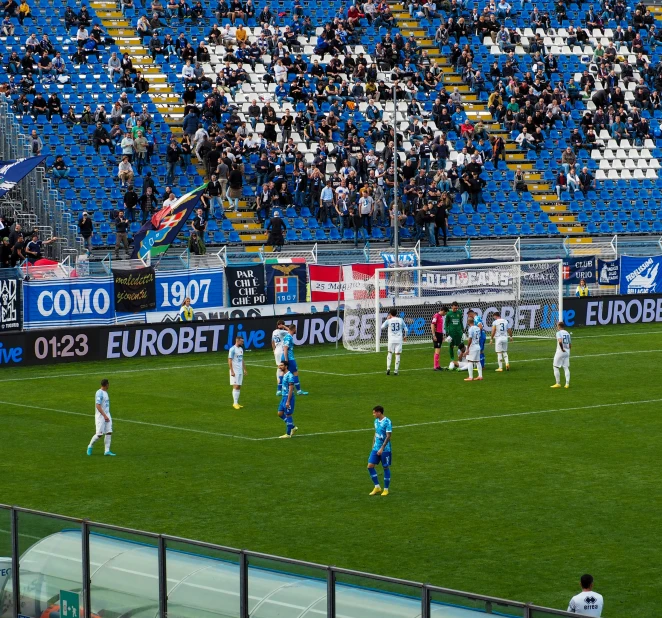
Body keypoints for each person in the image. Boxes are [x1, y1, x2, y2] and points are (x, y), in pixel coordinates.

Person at [367, 405, 392, 496]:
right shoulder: (376, 421)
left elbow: (388, 436)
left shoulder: (387, 421)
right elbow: (376, 432)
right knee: (370, 466)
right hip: (376, 448)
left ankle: (386, 489)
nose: (373, 414)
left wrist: (382, 448)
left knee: (385, 467)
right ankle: (377, 487)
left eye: (374, 412)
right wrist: (373, 444)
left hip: (385, 449)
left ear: (379, 412)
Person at [87, 379, 116, 457]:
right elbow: (98, 405)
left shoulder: (105, 393)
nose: (109, 385)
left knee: (109, 431)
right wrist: (104, 415)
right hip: (101, 416)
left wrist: (107, 415)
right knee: (99, 434)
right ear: (106, 384)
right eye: (108, 384)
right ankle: (90, 446)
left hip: (107, 414)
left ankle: (107, 451)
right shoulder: (99, 393)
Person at [282, 324, 308, 395]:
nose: (296, 330)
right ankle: (299, 391)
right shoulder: (288, 337)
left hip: (285, 357)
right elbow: (285, 348)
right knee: (295, 373)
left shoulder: (288, 335)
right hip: (289, 358)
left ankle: (285, 390)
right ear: (293, 329)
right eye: (295, 329)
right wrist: (286, 359)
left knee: (285, 374)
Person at [381, 307, 408, 376]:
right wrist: (405, 336)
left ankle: (388, 369)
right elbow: (406, 329)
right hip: (398, 340)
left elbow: (382, 327)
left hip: (391, 340)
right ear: (396, 313)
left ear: (390, 314)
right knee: (397, 354)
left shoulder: (389, 320)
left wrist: (387, 319)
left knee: (390, 353)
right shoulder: (400, 320)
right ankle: (396, 371)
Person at [277, 360, 298, 438]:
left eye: (282, 365)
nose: (280, 366)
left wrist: (288, 401)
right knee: (280, 413)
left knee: (288, 414)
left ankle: (288, 434)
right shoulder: (284, 374)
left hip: (288, 397)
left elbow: (291, 389)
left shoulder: (290, 376)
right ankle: (292, 427)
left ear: (286, 366)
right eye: (280, 365)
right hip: (283, 397)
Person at [228, 335, 247, 409]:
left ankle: (237, 403)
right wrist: (232, 371)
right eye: (242, 341)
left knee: (239, 386)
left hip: (240, 370)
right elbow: (229, 360)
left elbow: (242, 359)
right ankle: (235, 403)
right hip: (235, 370)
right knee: (235, 386)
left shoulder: (241, 349)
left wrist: (244, 369)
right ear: (237, 340)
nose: (242, 343)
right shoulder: (232, 349)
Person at [272, 319, 289, 395]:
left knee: (279, 367)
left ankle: (279, 383)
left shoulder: (274, 332)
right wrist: (285, 326)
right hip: (281, 352)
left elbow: (272, 341)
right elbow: (290, 332)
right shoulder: (282, 332)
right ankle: (282, 385)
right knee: (284, 368)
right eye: (280, 324)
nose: (281, 325)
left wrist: (273, 350)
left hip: (276, 351)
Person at [444, 301, 464, 368]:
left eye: (456, 308)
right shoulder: (449, 314)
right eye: (454, 308)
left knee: (461, 346)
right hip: (452, 332)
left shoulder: (459, 313)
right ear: (452, 307)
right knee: (451, 346)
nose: (455, 309)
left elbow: (461, 322)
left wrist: (463, 331)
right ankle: (452, 359)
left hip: (459, 332)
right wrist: (447, 332)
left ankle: (461, 359)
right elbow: (446, 323)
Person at [552, 321, 571, 389]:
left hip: (560, 351)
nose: (557, 327)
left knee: (555, 367)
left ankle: (558, 383)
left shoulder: (558, 333)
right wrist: (568, 351)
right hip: (567, 351)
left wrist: (562, 349)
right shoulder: (567, 333)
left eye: (557, 325)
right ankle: (567, 384)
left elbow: (560, 341)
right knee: (566, 367)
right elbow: (570, 344)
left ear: (559, 326)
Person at [464, 317, 483, 382]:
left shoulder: (471, 329)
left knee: (470, 361)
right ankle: (480, 376)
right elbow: (479, 337)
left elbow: (470, 339)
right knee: (478, 361)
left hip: (473, 347)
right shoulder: (478, 328)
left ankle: (470, 377)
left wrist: (468, 348)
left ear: (468, 322)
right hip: (477, 346)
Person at [431, 305, 447, 371]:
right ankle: (435, 366)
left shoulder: (440, 317)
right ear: (443, 311)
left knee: (438, 350)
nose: (445, 314)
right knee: (437, 350)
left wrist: (442, 335)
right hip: (437, 334)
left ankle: (438, 366)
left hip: (440, 334)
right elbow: (432, 324)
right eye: (445, 313)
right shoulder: (436, 316)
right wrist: (434, 335)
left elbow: (440, 327)